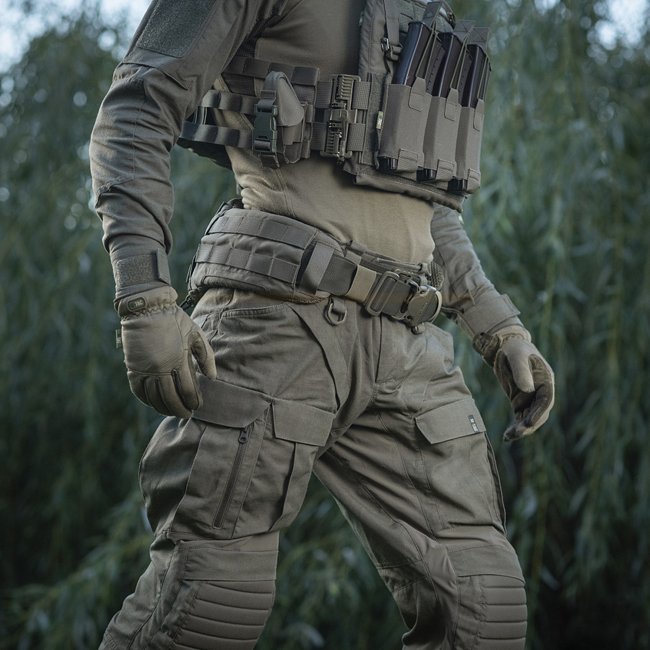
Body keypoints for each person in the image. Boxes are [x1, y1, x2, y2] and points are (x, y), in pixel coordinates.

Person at [89, 0, 554, 648]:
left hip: (409, 341)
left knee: (484, 611)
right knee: (208, 606)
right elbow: (135, 113)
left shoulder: (420, 9)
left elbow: (427, 203)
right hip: (278, 318)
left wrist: (498, 326)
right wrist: (144, 297)